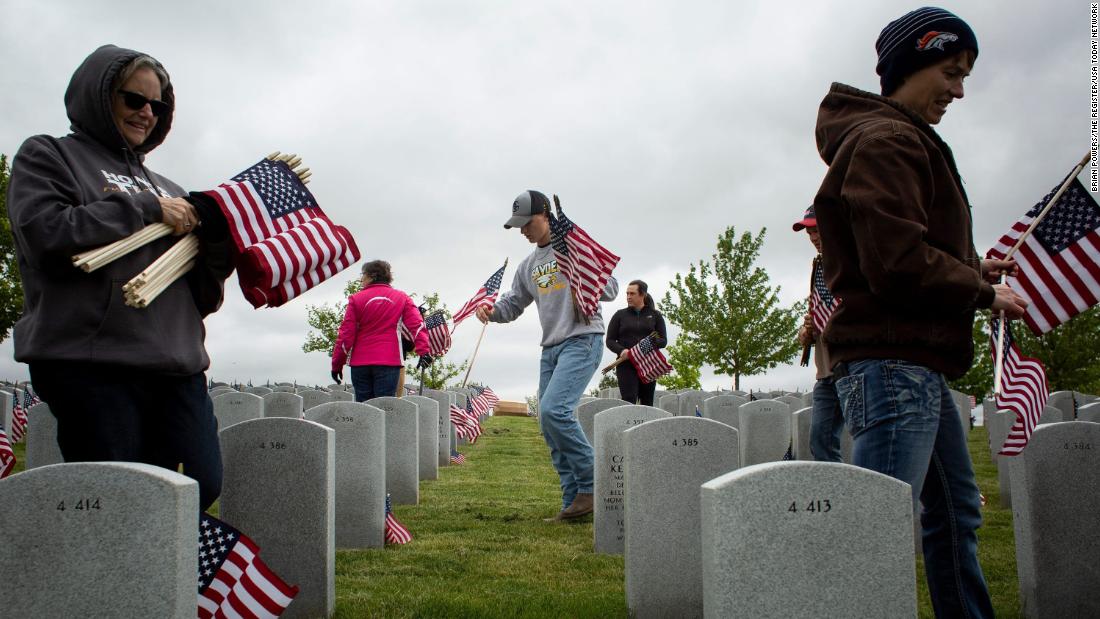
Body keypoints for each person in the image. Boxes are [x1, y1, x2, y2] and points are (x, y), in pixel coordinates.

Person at [813, 8, 1026, 617]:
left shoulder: (894, 138)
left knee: (956, 513)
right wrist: (981, 292)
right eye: (951, 72)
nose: (959, 90)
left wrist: (969, 265)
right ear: (915, 62)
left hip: (911, 362)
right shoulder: (888, 140)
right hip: (890, 364)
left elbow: (899, 245)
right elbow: (896, 261)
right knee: (873, 536)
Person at [8, 45, 235, 511]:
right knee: (115, 500)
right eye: (135, 99)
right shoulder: (50, 156)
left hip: (176, 363)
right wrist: (145, 210)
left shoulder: (171, 189)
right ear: (100, 95)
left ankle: (154, 578)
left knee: (201, 481)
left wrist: (217, 250)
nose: (148, 113)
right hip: (91, 361)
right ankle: (110, 583)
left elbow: (199, 298)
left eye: (159, 105)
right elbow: (44, 234)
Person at [476, 190, 618, 521]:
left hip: (583, 339)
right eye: (518, 227)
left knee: (555, 410)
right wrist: (491, 311)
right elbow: (513, 304)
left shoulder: (573, 248)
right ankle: (574, 502)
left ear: (544, 215)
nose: (523, 231)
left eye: (526, 224)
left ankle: (592, 485)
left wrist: (581, 268)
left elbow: (609, 289)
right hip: (550, 347)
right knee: (547, 423)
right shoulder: (528, 266)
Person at [331, 260, 432, 402]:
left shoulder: (356, 299)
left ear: (372, 276)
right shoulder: (402, 297)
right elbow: (417, 325)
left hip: (360, 363)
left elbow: (346, 334)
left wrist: (337, 363)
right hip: (389, 361)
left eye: (363, 275)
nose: (361, 279)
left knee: (364, 409)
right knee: (385, 409)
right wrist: (424, 351)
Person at [793, 206, 843, 463]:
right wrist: (807, 331)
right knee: (820, 441)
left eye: (817, 230)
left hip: (850, 366)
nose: (813, 237)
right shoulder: (820, 266)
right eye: (809, 232)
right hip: (825, 372)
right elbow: (816, 317)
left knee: (866, 440)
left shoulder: (848, 262)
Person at [605, 280, 667, 405]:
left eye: (632, 294)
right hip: (626, 365)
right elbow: (610, 340)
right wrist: (622, 350)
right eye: (627, 293)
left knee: (647, 402)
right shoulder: (619, 315)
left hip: (649, 363)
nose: (628, 297)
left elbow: (663, 341)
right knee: (628, 400)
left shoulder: (655, 315)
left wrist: (645, 345)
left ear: (643, 294)